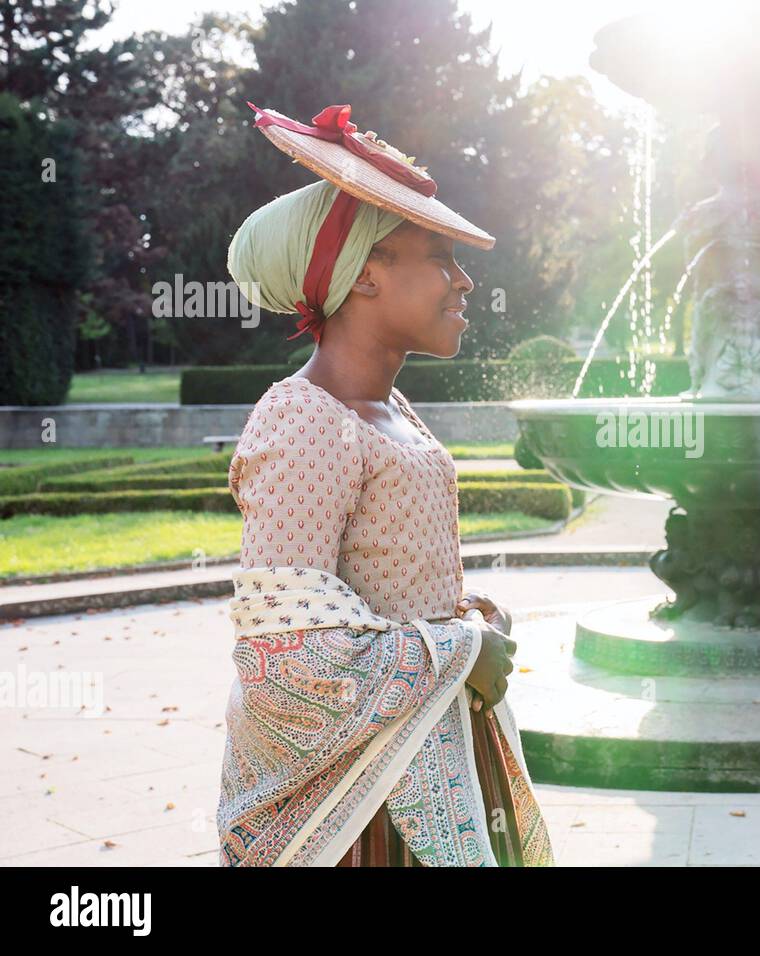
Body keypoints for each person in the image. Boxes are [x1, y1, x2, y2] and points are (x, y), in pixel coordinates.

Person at [215, 102, 553, 866]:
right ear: (365, 274)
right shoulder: (305, 418)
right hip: (363, 814)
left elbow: (393, 596)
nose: (463, 281)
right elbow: (284, 663)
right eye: (438, 255)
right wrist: (459, 646)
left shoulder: (390, 408)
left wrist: (463, 621)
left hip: (428, 762)